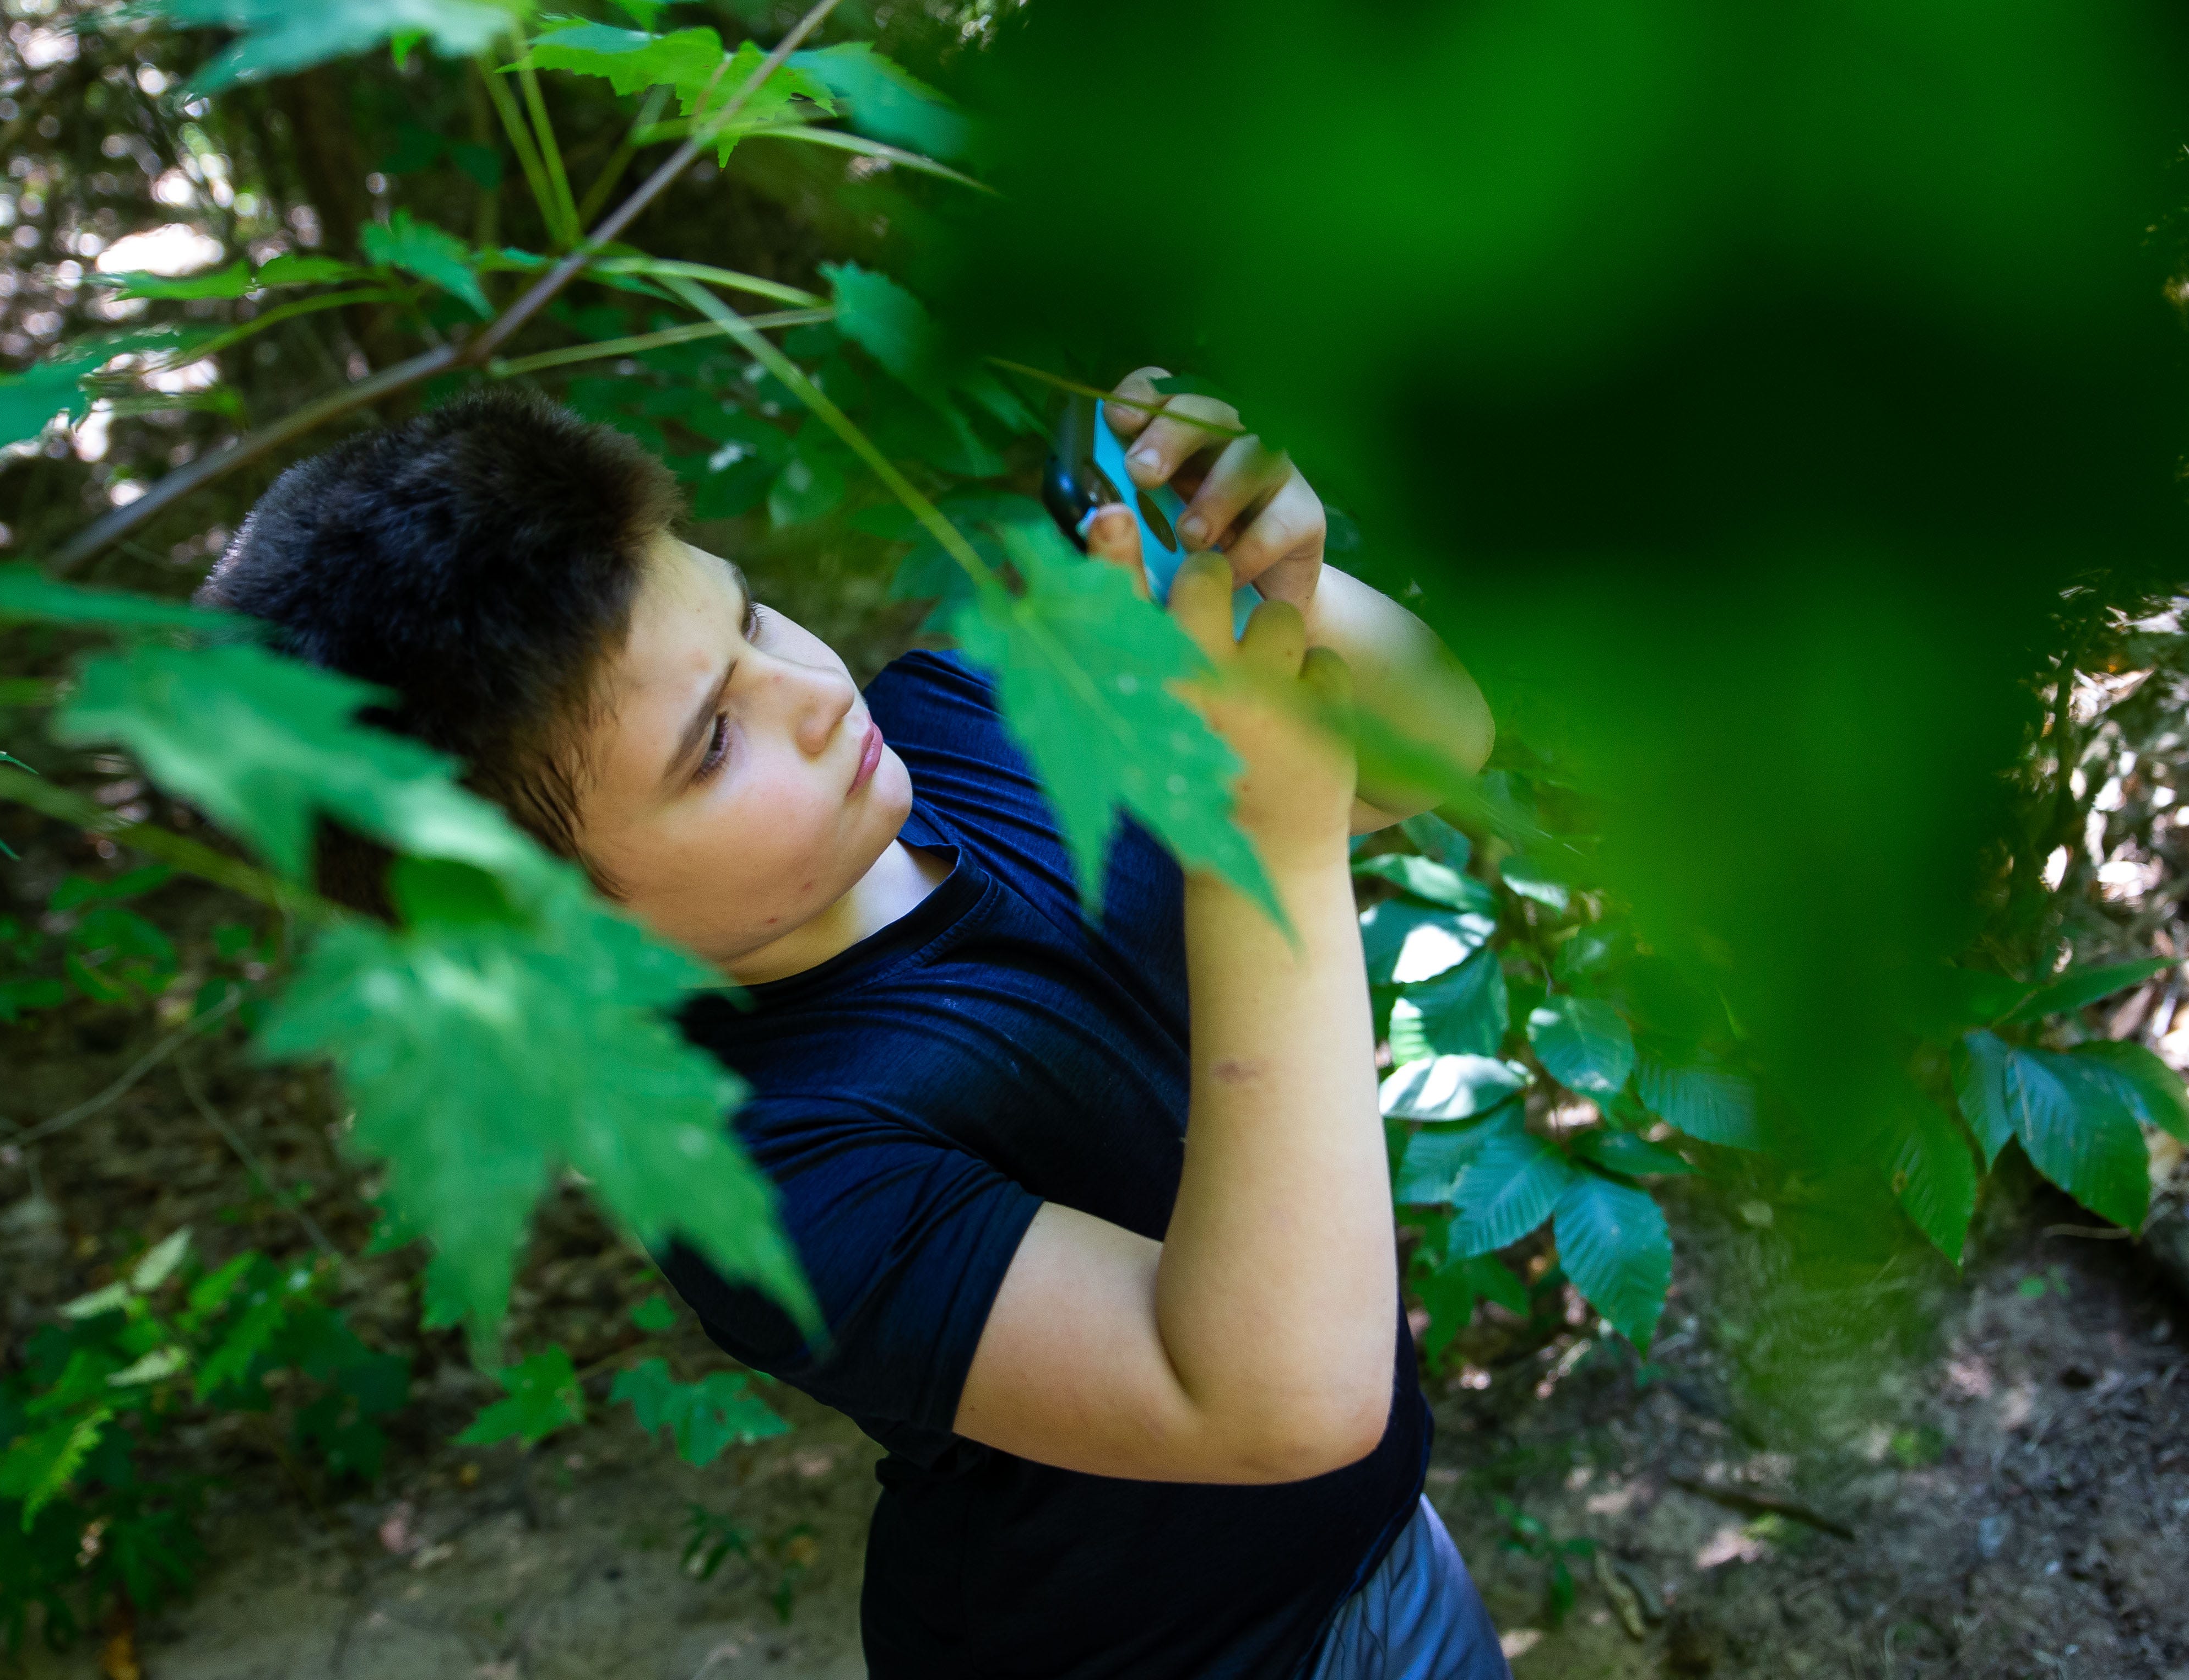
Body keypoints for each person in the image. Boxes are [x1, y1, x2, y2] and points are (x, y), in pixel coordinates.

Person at [201, 366, 1510, 1679]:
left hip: (1375, 1553)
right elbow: (1275, 1399)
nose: (814, 692)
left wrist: (1276, 587)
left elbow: (1434, 742)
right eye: (712, 742)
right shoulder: (759, 1170)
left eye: (753, 620)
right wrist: (1259, 841)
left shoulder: (962, 717)